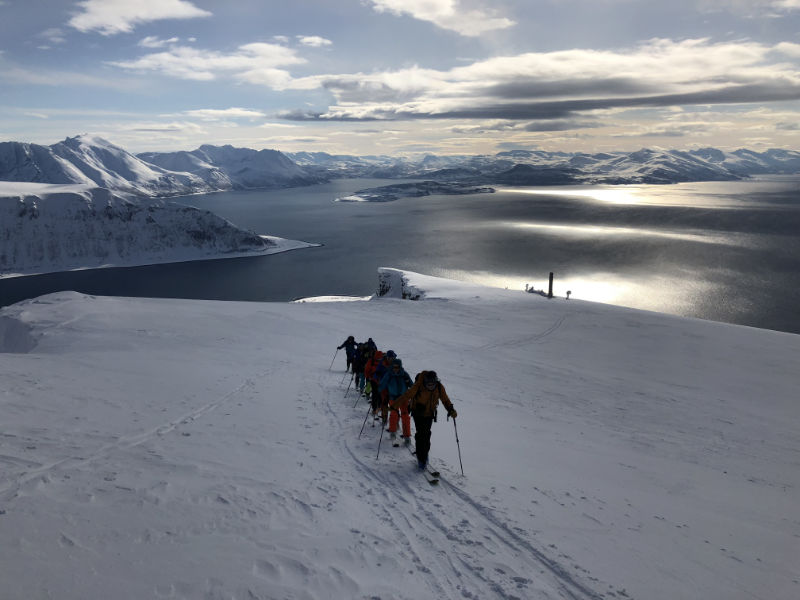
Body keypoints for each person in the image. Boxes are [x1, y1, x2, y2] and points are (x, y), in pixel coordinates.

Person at [397, 370, 457, 470]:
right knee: (421, 434)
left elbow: (445, 399)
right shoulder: (418, 386)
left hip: (429, 414)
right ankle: (421, 458)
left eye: (432, 384)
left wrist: (450, 409)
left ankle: (424, 453)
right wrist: (395, 405)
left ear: (435, 382)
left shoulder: (439, 387)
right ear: (425, 382)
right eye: (428, 384)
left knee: (427, 434)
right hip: (418, 413)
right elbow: (407, 395)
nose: (430, 386)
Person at [380, 358, 413, 443]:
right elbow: (383, 383)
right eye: (394, 367)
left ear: (400, 367)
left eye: (397, 367)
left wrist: (413, 394)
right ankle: (392, 431)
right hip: (393, 398)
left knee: (405, 416)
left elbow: (411, 385)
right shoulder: (389, 374)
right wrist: (379, 389)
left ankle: (407, 436)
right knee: (394, 414)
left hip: (403, 398)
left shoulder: (404, 374)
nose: (395, 369)